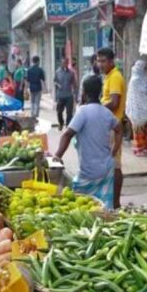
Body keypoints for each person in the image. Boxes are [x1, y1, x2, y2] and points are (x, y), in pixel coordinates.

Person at [53, 75, 122, 209]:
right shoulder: (106, 112)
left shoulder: (82, 112)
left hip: (89, 172)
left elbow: (67, 134)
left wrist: (58, 155)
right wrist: (115, 149)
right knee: (103, 207)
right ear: (101, 93)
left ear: (84, 92)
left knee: (80, 204)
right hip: (106, 168)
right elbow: (119, 129)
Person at [98, 47, 127, 209]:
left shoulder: (115, 77)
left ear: (111, 61)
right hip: (109, 126)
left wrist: (97, 107)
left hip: (114, 128)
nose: (100, 64)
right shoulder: (109, 76)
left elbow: (114, 103)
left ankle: (116, 203)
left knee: (115, 165)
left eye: (103, 61)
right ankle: (112, 201)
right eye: (98, 60)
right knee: (111, 165)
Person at [54, 61, 76, 129]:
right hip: (60, 95)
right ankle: (61, 123)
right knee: (59, 111)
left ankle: (68, 125)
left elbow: (74, 83)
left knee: (69, 112)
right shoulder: (57, 72)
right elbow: (55, 81)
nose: (65, 64)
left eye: (66, 63)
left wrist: (74, 92)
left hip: (69, 95)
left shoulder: (71, 73)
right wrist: (58, 85)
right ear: (61, 63)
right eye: (63, 63)